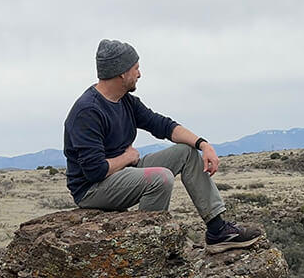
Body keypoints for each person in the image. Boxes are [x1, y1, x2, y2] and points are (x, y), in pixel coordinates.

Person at [63, 39, 262, 253]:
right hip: (93, 189)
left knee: (187, 152)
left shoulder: (125, 101)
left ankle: (218, 231)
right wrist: (127, 158)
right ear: (121, 73)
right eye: (136, 68)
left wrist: (203, 144)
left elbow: (164, 126)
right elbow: (94, 171)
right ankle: (148, 248)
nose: (139, 74)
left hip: (121, 173)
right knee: (161, 178)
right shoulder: (88, 111)